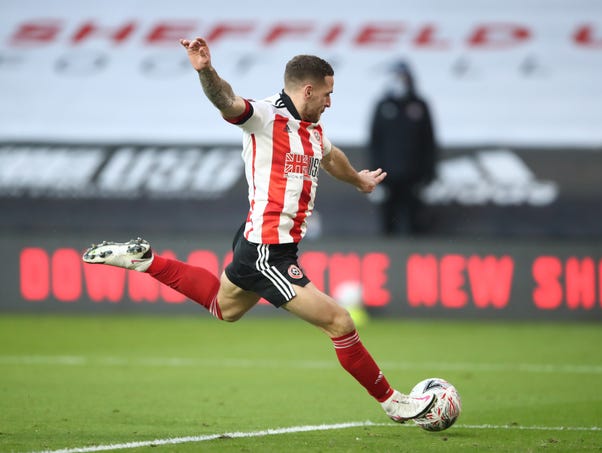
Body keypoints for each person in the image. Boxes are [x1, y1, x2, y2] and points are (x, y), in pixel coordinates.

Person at [82, 37, 435, 423]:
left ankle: (144, 260)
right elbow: (227, 102)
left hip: (261, 243)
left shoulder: (313, 129)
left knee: (225, 307)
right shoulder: (265, 116)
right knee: (340, 321)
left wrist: (358, 181)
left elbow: (332, 157)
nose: (330, 102)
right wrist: (205, 71)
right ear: (308, 89)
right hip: (268, 250)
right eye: (328, 94)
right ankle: (394, 402)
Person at [368, 61, 438, 236]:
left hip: (414, 177)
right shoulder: (383, 106)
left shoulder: (420, 105)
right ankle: (390, 258)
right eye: (396, 77)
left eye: (403, 77)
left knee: (415, 224)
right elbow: (375, 143)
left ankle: (416, 259)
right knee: (388, 224)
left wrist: (429, 174)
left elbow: (428, 142)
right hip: (387, 177)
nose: (400, 82)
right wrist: (374, 176)